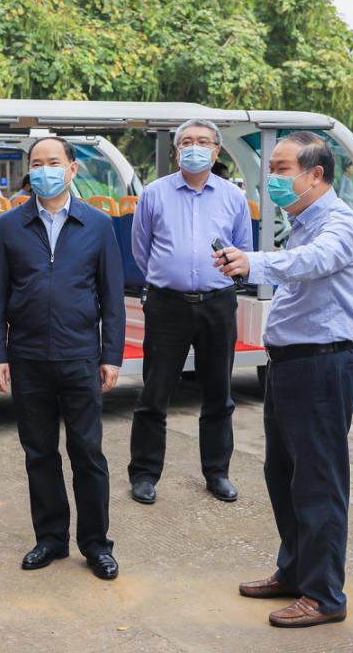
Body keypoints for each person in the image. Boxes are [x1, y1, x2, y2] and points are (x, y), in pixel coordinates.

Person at [216, 131, 353, 628]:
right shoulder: (301, 223)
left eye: (282, 169)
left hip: (322, 367)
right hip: (289, 365)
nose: (272, 179)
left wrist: (253, 262)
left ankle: (324, 595)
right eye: (271, 170)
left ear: (315, 174)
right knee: (283, 476)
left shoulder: (339, 224)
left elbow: (312, 263)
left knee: (318, 484)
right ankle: (295, 571)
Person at [0, 136, 124, 580]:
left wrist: (112, 355)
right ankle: (50, 538)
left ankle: (96, 544)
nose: (45, 170)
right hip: (27, 357)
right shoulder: (8, 225)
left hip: (80, 356)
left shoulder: (98, 225)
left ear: (72, 169)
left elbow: (112, 297)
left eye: (53, 162)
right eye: (37, 163)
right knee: (39, 452)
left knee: (88, 453)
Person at [127, 119, 251, 505]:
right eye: (187, 142)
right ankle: (144, 474)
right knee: (155, 393)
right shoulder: (155, 193)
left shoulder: (233, 196)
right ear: (177, 150)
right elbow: (141, 249)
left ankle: (217, 472)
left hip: (218, 304)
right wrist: (170, 275)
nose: (195, 148)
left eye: (203, 142)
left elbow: (242, 250)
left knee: (218, 393)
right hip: (167, 305)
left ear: (216, 151)